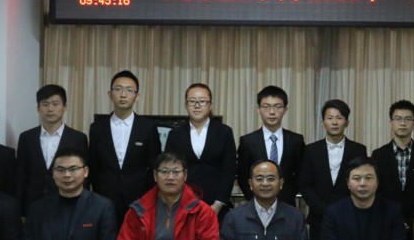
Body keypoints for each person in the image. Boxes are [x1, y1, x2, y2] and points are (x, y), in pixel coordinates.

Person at [112, 152, 221, 240]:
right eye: (164, 172)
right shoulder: (138, 211)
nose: (170, 177)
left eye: (176, 172)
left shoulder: (203, 213)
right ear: (155, 176)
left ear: (185, 175)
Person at [19, 147, 117, 240]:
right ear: (53, 173)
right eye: (60, 169)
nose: (67, 175)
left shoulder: (102, 207)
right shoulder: (37, 208)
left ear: (85, 171)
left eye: (73, 169)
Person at [320, 156, 407, 240]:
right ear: (348, 183)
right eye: (356, 178)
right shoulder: (333, 214)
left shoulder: (392, 212)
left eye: (368, 178)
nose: (362, 183)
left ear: (377, 182)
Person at [89, 70, 162, 224]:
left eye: (129, 90)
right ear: (110, 94)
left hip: (139, 200)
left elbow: (155, 165)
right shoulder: (97, 128)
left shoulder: (148, 128)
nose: (123, 95)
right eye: (118, 89)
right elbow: (93, 166)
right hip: (104, 198)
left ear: (137, 96)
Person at [298, 99, 367, 240]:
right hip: (319, 218)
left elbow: (361, 184)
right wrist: (322, 209)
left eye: (339, 118)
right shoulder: (310, 150)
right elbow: (305, 184)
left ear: (347, 122)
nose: (334, 122)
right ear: (323, 122)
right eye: (330, 118)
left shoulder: (358, 150)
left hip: (350, 216)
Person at [163, 83, 236, 215]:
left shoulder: (224, 132)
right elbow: (169, 170)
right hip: (182, 205)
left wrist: (218, 204)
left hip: (216, 205)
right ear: (186, 105)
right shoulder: (175, 134)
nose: (197, 105)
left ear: (210, 105)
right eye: (192, 101)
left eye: (202, 101)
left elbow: (229, 171)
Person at [15, 84, 89, 216]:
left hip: (68, 203)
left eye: (55, 104)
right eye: (45, 104)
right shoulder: (26, 138)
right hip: (32, 205)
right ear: (38, 108)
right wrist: (19, 210)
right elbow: (20, 175)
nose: (50, 109)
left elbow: (83, 176)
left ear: (64, 107)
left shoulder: (78, 138)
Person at [371, 100, 414, 240]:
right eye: (398, 119)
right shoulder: (378, 155)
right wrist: (392, 217)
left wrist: (412, 220)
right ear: (391, 123)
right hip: (385, 222)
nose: (403, 123)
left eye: (408, 119)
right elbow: (376, 190)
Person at [237, 86, 305, 207]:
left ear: (285, 109)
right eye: (266, 106)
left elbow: (301, 174)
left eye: (278, 106)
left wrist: (289, 195)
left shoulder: (296, 140)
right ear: (258, 109)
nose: (272, 112)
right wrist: (254, 200)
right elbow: (242, 176)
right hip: (255, 205)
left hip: (287, 205)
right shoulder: (247, 141)